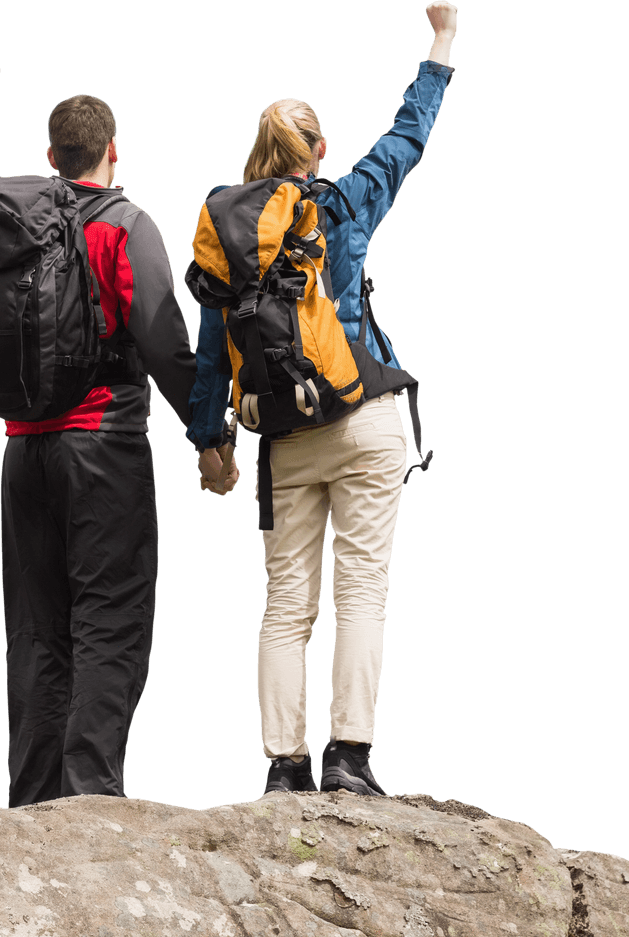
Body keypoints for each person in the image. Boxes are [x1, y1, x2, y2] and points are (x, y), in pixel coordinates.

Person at [188, 2, 459, 795]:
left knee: (285, 605)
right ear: (318, 150)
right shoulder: (341, 203)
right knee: (362, 591)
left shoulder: (231, 234)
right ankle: (349, 759)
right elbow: (408, 139)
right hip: (364, 415)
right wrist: (441, 41)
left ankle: (283, 767)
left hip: (284, 436)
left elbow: (214, 349)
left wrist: (212, 443)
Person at [0, 52, 218, 805]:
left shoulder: (5, 216)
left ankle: (34, 801)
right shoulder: (125, 225)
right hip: (103, 446)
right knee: (111, 620)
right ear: (113, 150)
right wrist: (211, 440)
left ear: (49, 158)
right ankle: (91, 800)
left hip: (20, 450)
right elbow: (166, 343)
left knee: (36, 632)